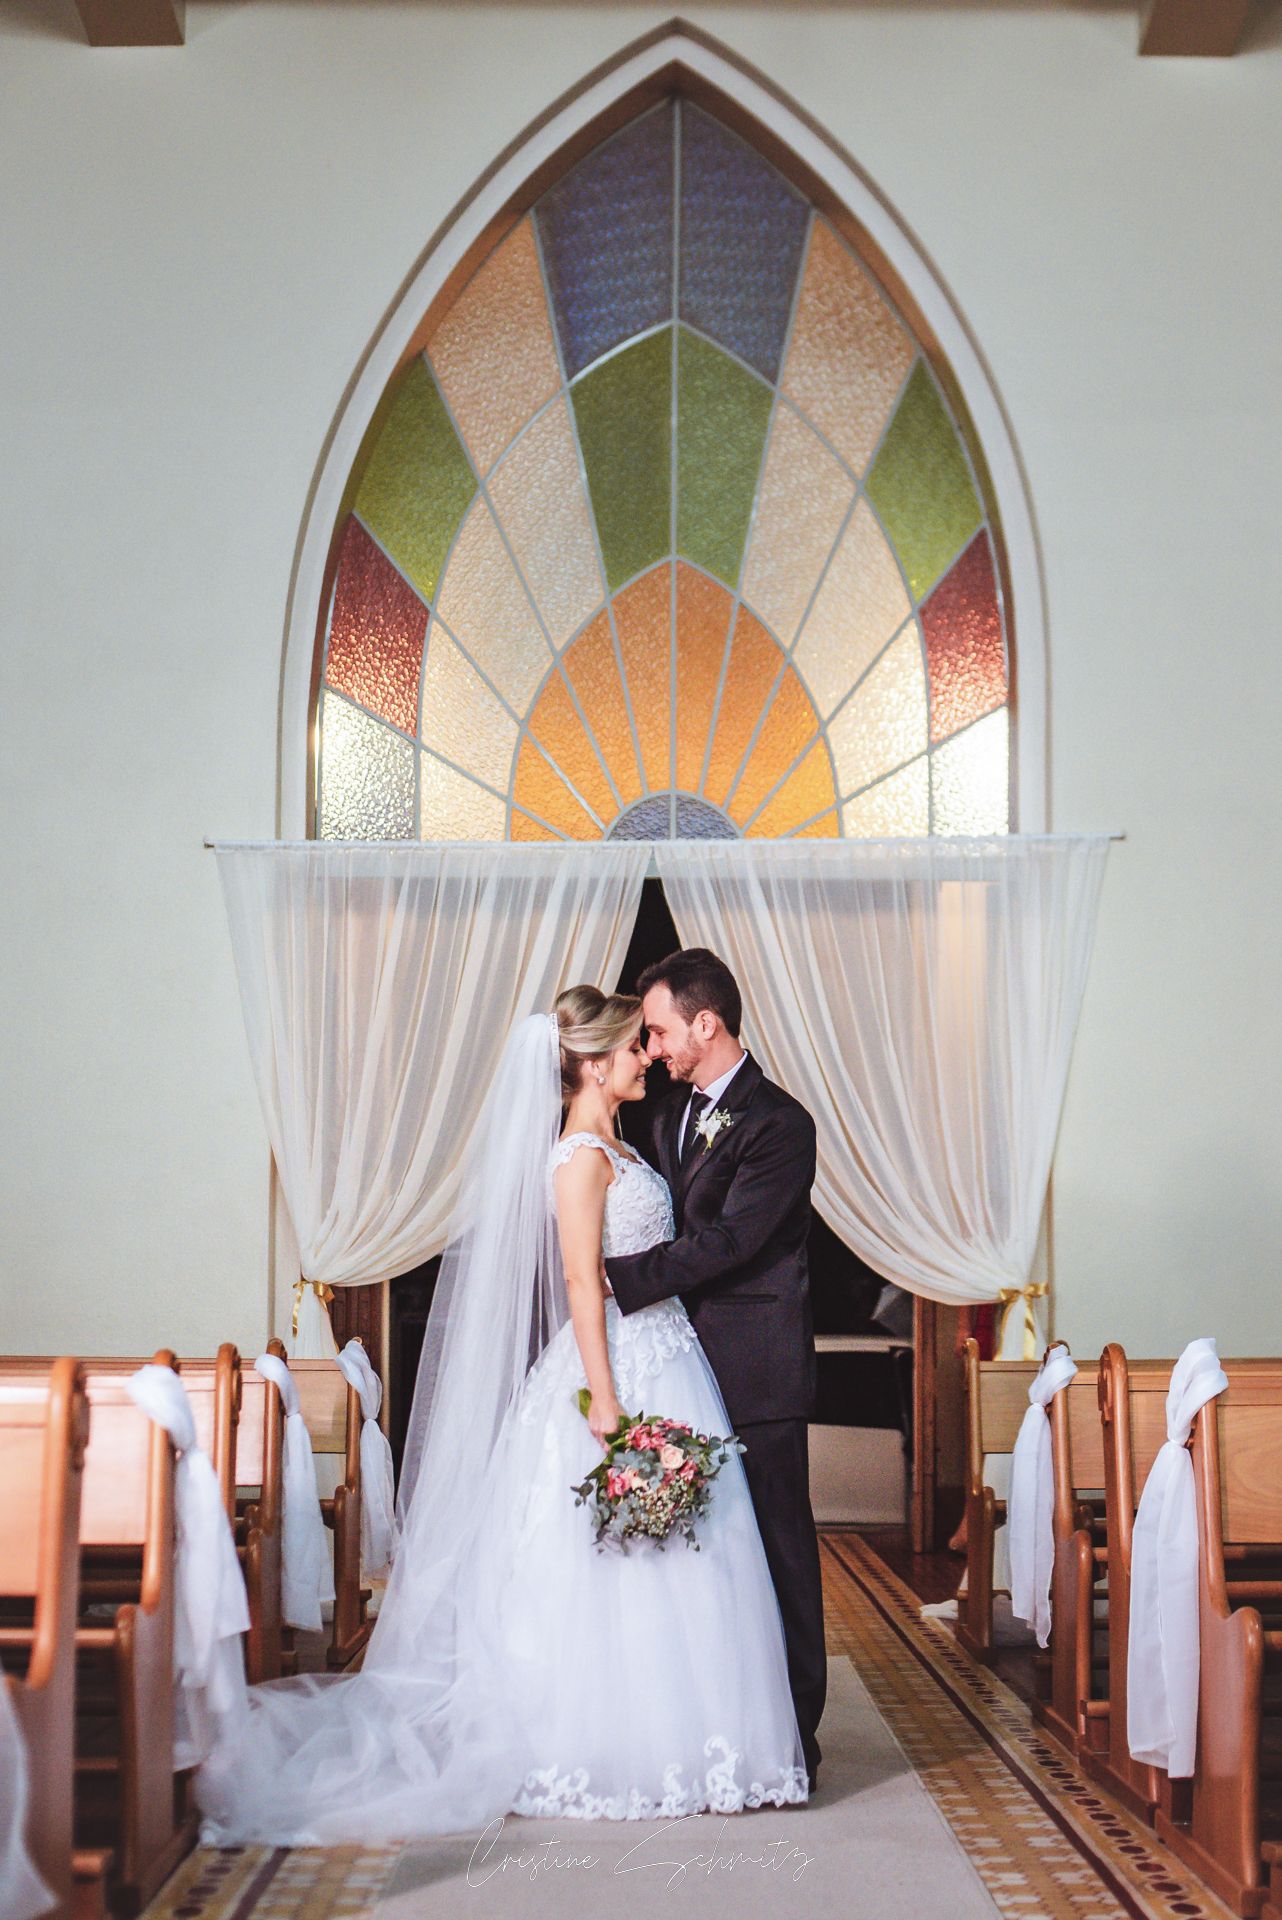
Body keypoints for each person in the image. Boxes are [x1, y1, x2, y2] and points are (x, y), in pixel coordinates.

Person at [194, 986, 807, 1845]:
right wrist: (603, 1399)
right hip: (618, 1372)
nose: (645, 1058)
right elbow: (577, 1284)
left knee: (690, 1551)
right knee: (614, 1558)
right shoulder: (577, 1159)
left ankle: (693, 1736)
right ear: (593, 1063)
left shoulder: (622, 1144)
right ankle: (601, 1740)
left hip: (672, 1358)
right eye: (633, 1047)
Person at [606, 949, 827, 1792]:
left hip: (757, 1368)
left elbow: (733, 1243)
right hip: (677, 1365)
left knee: (778, 1550)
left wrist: (618, 1280)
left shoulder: (780, 1125)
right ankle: (722, 1724)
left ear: (707, 1023)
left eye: (660, 1029)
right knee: (708, 1555)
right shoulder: (667, 1117)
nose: (653, 1046)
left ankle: (797, 1738)